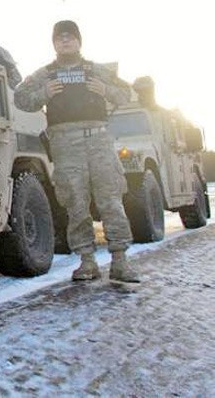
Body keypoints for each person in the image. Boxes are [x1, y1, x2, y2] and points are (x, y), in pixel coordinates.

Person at [15, 20, 139, 283]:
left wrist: (106, 90)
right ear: (54, 43)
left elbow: (126, 94)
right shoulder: (45, 75)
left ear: (79, 41)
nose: (65, 40)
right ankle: (87, 262)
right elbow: (20, 98)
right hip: (65, 144)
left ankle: (120, 261)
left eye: (70, 36)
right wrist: (43, 94)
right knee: (76, 204)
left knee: (111, 201)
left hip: (98, 141)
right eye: (60, 37)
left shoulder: (96, 70)